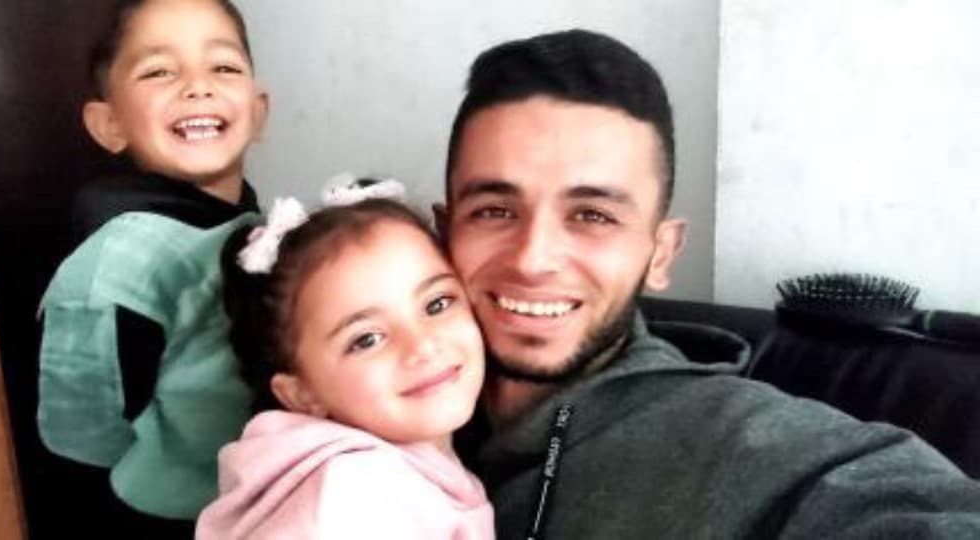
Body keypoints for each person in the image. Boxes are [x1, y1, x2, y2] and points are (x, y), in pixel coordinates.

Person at [437, 29, 980, 538]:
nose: (532, 259)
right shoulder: (399, 395)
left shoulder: (744, 445)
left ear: (661, 253)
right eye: (494, 211)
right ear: (441, 233)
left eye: (593, 216)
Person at [35, 0, 268, 529]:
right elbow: (80, 436)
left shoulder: (253, 224)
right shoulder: (115, 266)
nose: (198, 86)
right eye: (159, 71)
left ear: (258, 112)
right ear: (109, 123)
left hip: (258, 502)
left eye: (223, 66)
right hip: (170, 517)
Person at [196, 183, 494, 539]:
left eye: (437, 304)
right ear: (302, 394)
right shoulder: (351, 494)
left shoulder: (414, 469)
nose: (423, 346)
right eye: (366, 339)